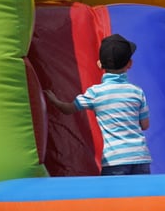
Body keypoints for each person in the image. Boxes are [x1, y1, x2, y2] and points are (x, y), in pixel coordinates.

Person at [44, 34, 152, 176]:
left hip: (115, 160)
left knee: (114, 197)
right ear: (130, 64)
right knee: (141, 196)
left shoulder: (95, 93)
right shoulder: (137, 92)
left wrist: (54, 100)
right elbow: (144, 125)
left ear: (99, 64)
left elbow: (68, 109)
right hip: (140, 157)